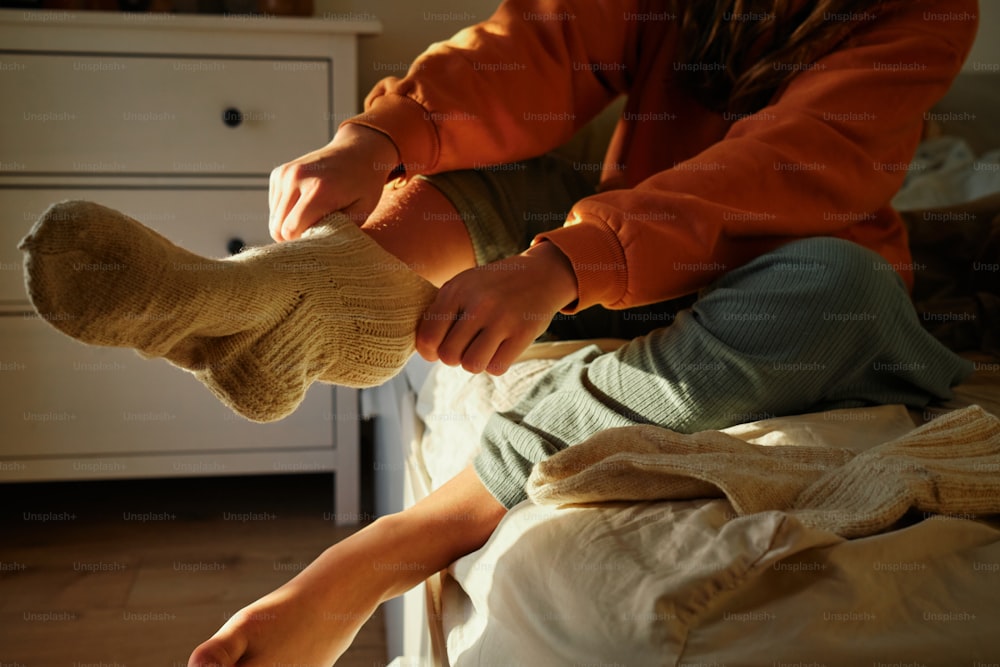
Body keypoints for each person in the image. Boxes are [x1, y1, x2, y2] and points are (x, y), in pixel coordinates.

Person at [15, 0, 979, 664]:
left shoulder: (927, 10)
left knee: (831, 280)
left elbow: (790, 165)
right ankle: (278, 299)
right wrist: (381, 138)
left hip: (807, 280)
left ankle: (390, 549)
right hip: (645, 247)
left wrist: (562, 266)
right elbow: (544, 45)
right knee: (503, 180)